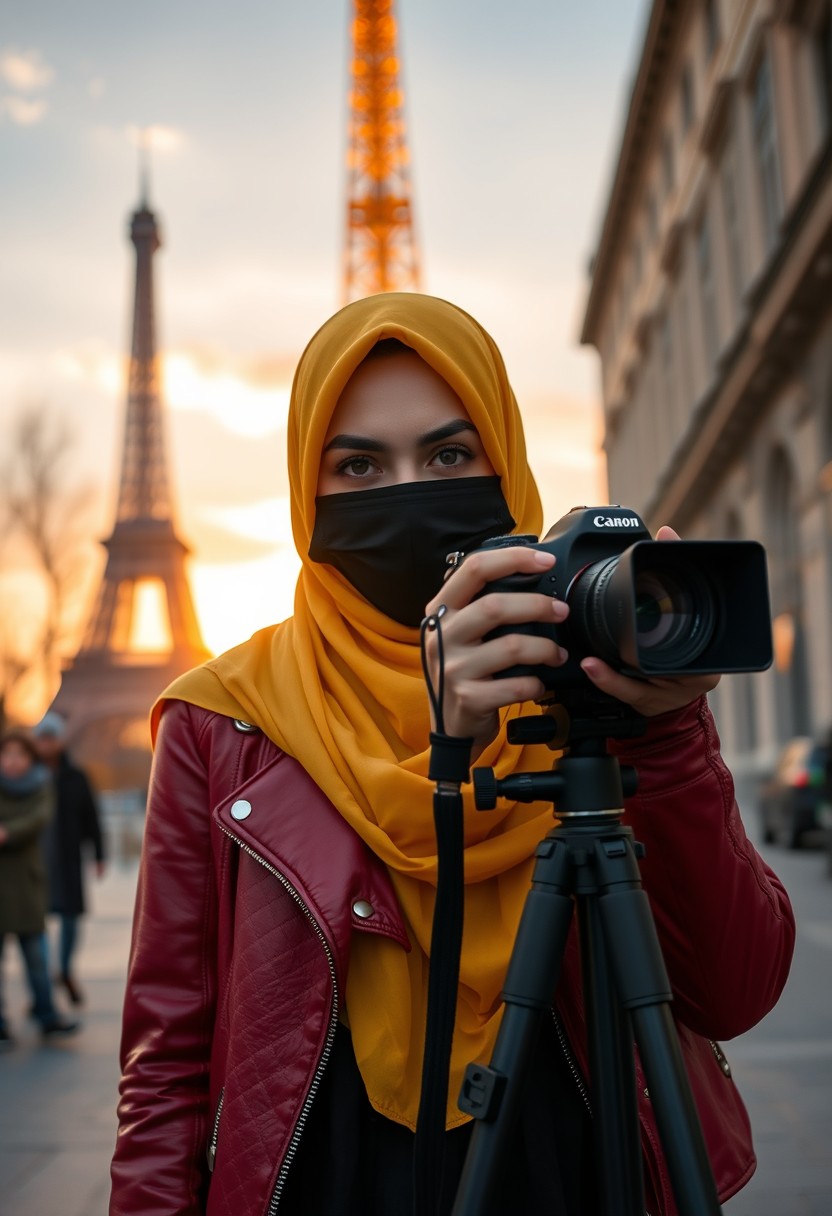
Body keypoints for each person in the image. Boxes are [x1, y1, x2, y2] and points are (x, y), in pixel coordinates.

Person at [109, 293, 795, 1215]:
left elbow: (733, 989)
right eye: (357, 464)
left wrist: (665, 737)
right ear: (305, 494)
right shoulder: (222, 721)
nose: (407, 491)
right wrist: (450, 753)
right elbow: (167, 1071)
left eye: (447, 454)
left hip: (577, 1167)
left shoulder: (592, 679)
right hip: (329, 1179)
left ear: (503, 461)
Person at [0, 729, 80, 1045]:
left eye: (20, 755)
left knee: (36, 956)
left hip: (25, 884)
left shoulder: (40, 786)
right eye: (6, 754)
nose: (12, 761)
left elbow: (39, 818)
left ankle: (47, 1015)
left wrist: (7, 831)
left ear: (30, 759)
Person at [32, 710, 106, 1006]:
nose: (46, 743)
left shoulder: (77, 777)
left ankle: (64, 970)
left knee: (70, 919)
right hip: (35, 860)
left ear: (60, 741)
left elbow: (91, 817)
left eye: (51, 737)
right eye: (42, 738)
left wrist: (99, 855)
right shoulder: (26, 777)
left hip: (68, 857)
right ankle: (43, 985)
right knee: (34, 926)